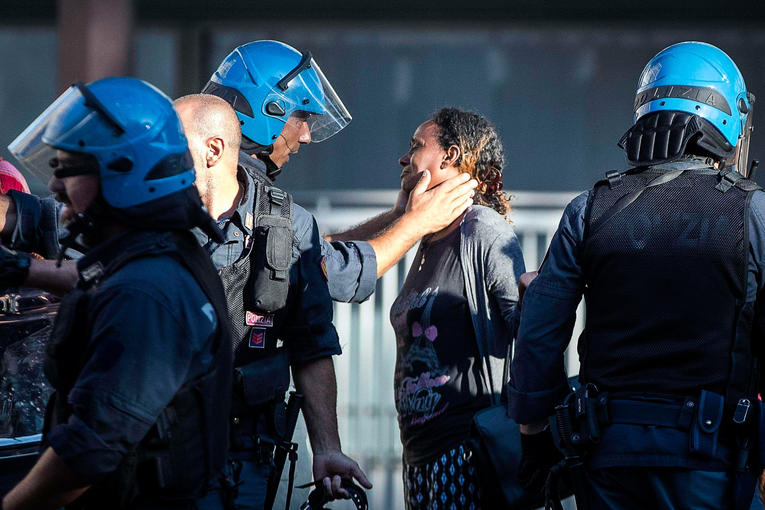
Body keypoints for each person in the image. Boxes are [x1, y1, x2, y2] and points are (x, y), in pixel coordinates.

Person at [508, 41, 762, 509]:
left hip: (606, 463)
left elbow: (540, 333)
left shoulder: (591, 208)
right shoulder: (753, 213)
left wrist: (533, 439)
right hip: (714, 465)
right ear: (728, 119)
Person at [0, 77, 232, 509]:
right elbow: (93, 276)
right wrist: (19, 268)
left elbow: (90, 450)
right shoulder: (157, 250)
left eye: (67, 169)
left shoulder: (147, 292)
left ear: (123, 172)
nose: (53, 187)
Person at [173, 93, 370, 509]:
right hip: (158, 452)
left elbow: (312, 344)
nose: (305, 135)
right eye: (299, 118)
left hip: (246, 455)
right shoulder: (145, 214)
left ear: (213, 149)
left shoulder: (292, 226)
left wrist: (328, 448)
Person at [386, 107, 524, 509]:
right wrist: (403, 217)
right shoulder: (428, 236)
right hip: (419, 457)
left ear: (450, 156)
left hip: (465, 453)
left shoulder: (481, 228)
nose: (403, 157)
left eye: (416, 146)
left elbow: (527, 328)